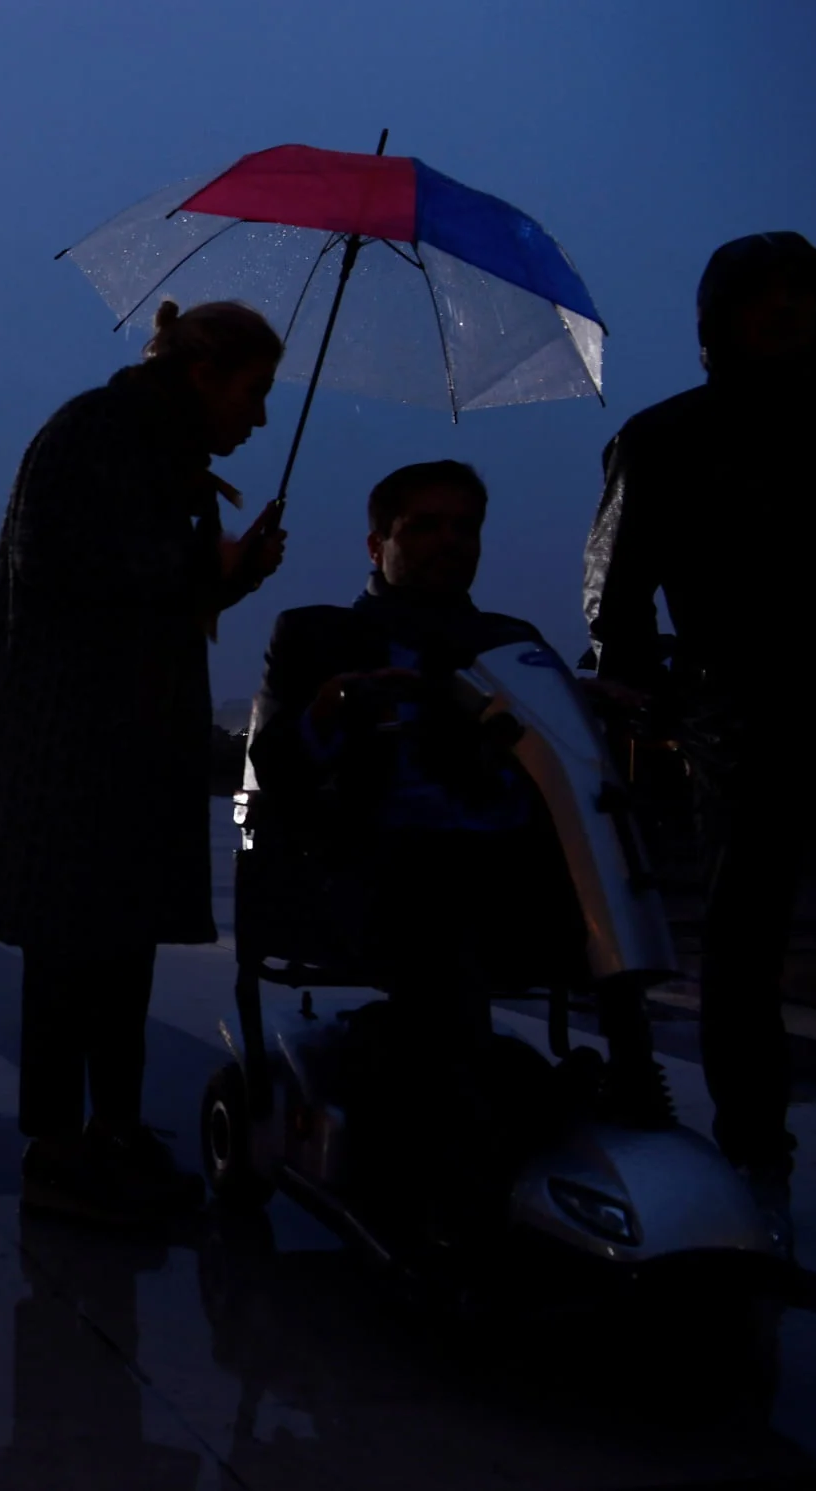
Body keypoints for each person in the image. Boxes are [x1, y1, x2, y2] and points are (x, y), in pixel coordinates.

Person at [0, 298, 287, 1223]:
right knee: (80, 944)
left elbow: (126, 588)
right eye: (252, 391)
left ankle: (103, 1129)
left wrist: (226, 577)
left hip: (114, 737)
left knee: (110, 940)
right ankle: (64, 1144)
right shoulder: (106, 437)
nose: (260, 416)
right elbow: (80, 577)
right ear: (202, 374)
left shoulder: (131, 439)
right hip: (80, 742)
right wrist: (210, 574)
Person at [247, 461, 673, 1237]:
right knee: (438, 882)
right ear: (376, 544)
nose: (450, 542)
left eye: (464, 527)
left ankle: (634, 1087)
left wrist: (587, 712)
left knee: (614, 861)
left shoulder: (512, 644)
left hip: (504, 857)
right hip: (372, 861)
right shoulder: (319, 635)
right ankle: (462, 1149)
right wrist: (331, 710)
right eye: (425, 526)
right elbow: (276, 764)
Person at [584, 232, 816, 1223]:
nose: (783, 308)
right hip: (738, 718)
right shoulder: (663, 439)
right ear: (719, 320)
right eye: (760, 294)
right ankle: (750, 1145)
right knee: (743, 944)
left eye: (799, 291)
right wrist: (646, 694)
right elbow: (613, 595)